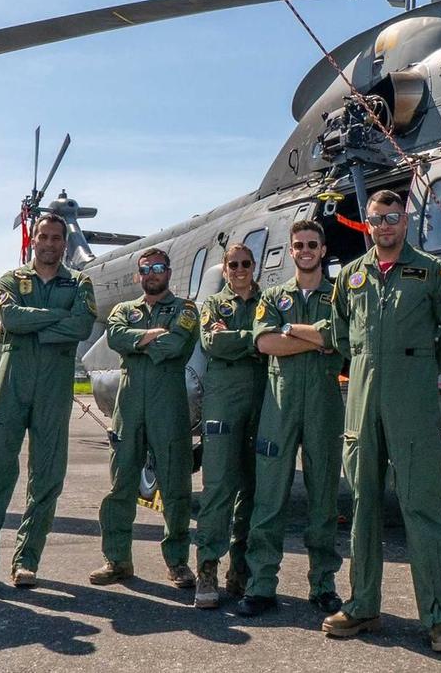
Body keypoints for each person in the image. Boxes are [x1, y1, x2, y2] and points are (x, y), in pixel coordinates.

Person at [322, 187, 441, 655]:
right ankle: (363, 604)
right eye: (376, 218)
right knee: (364, 504)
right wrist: (368, 362)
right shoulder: (350, 275)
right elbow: (341, 332)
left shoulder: (430, 270)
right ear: (366, 224)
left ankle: (440, 619)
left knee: (422, 508)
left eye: (392, 217)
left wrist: (423, 365)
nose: (384, 225)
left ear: (405, 221)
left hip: (412, 401)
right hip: (363, 399)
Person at [0, 212, 96, 588]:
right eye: (44, 237)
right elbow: (11, 319)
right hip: (13, 382)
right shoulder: (11, 279)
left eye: (56, 238)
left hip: (54, 386)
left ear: (64, 244)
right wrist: (57, 320)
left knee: (47, 476)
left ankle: (27, 560)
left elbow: (81, 327)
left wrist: (41, 323)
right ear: (33, 239)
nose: (50, 244)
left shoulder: (80, 282)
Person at [238, 218, 347, 620]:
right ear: (291, 249)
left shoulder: (338, 296)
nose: (305, 250)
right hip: (279, 410)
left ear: (322, 250)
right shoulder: (274, 297)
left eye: (312, 244)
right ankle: (262, 585)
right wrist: (314, 338)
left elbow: (342, 337)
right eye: (298, 244)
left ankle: (323, 585)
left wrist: (291, 335)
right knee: (269, 500)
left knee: (323, 501)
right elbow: (265, 343)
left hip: (323, 409)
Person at [90, 246, 200, 588]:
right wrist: (150, 337)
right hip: (129, 405)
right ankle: (118, 559)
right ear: (139, 275)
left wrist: (137, 345)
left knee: (176, 488)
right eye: (146, 269)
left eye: (158, 267)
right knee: (121, 484)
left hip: (169, 404)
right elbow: (116, 337)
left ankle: (178, 563)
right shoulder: (124, 309)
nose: (151, 273)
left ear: (168, 271)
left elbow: (177, 346)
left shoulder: (186, 309)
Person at [193, 240, 268, 608]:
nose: (239, 271)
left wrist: (241, 338)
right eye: (233, 265)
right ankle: (207, 568)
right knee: (218, 486)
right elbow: (213, 342)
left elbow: (274, 339)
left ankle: (241, 570)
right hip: (223, 401)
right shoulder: (213, 305)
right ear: (225, 270)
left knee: (254, 490)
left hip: (262, 401)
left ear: (254, 267)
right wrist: (257, 340)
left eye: (245, 264)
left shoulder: (269, 302)